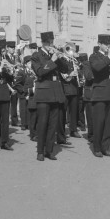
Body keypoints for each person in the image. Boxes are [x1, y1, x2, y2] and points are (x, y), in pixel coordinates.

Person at [31, 31, 68, 161]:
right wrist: (52, 61)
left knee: (53, 124)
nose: (50, 45)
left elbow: (66, 69)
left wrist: (61, 56)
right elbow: (40, 72)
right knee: (42, 123)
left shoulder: (54, 54)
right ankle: (40, 151)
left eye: (51, 42)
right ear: (43, 43)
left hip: (56, 93)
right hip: (43, 93)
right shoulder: (36, 56)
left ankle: (49, 150)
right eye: (48, 43)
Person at [89, 34, 110, 157]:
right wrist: (109, 57)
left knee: (108, 123)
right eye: (106, 44)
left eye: (109, 44)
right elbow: (97, 68)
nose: (108, 46)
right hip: (100, 93)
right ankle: (97, 148)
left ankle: (105, 147)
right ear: (99, 44)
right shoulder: (94, 56)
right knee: (99, 122)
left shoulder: (109, 57)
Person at [5, 40, 19, 126]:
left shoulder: (15, 57)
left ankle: (14, 120)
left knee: (14, 103)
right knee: (6, 103)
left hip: (14, 82)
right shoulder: (5, 57)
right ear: (7, 48)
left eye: (14, 48)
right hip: (8, 82)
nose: (13, 49)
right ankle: (6, 120)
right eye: (11, 48)